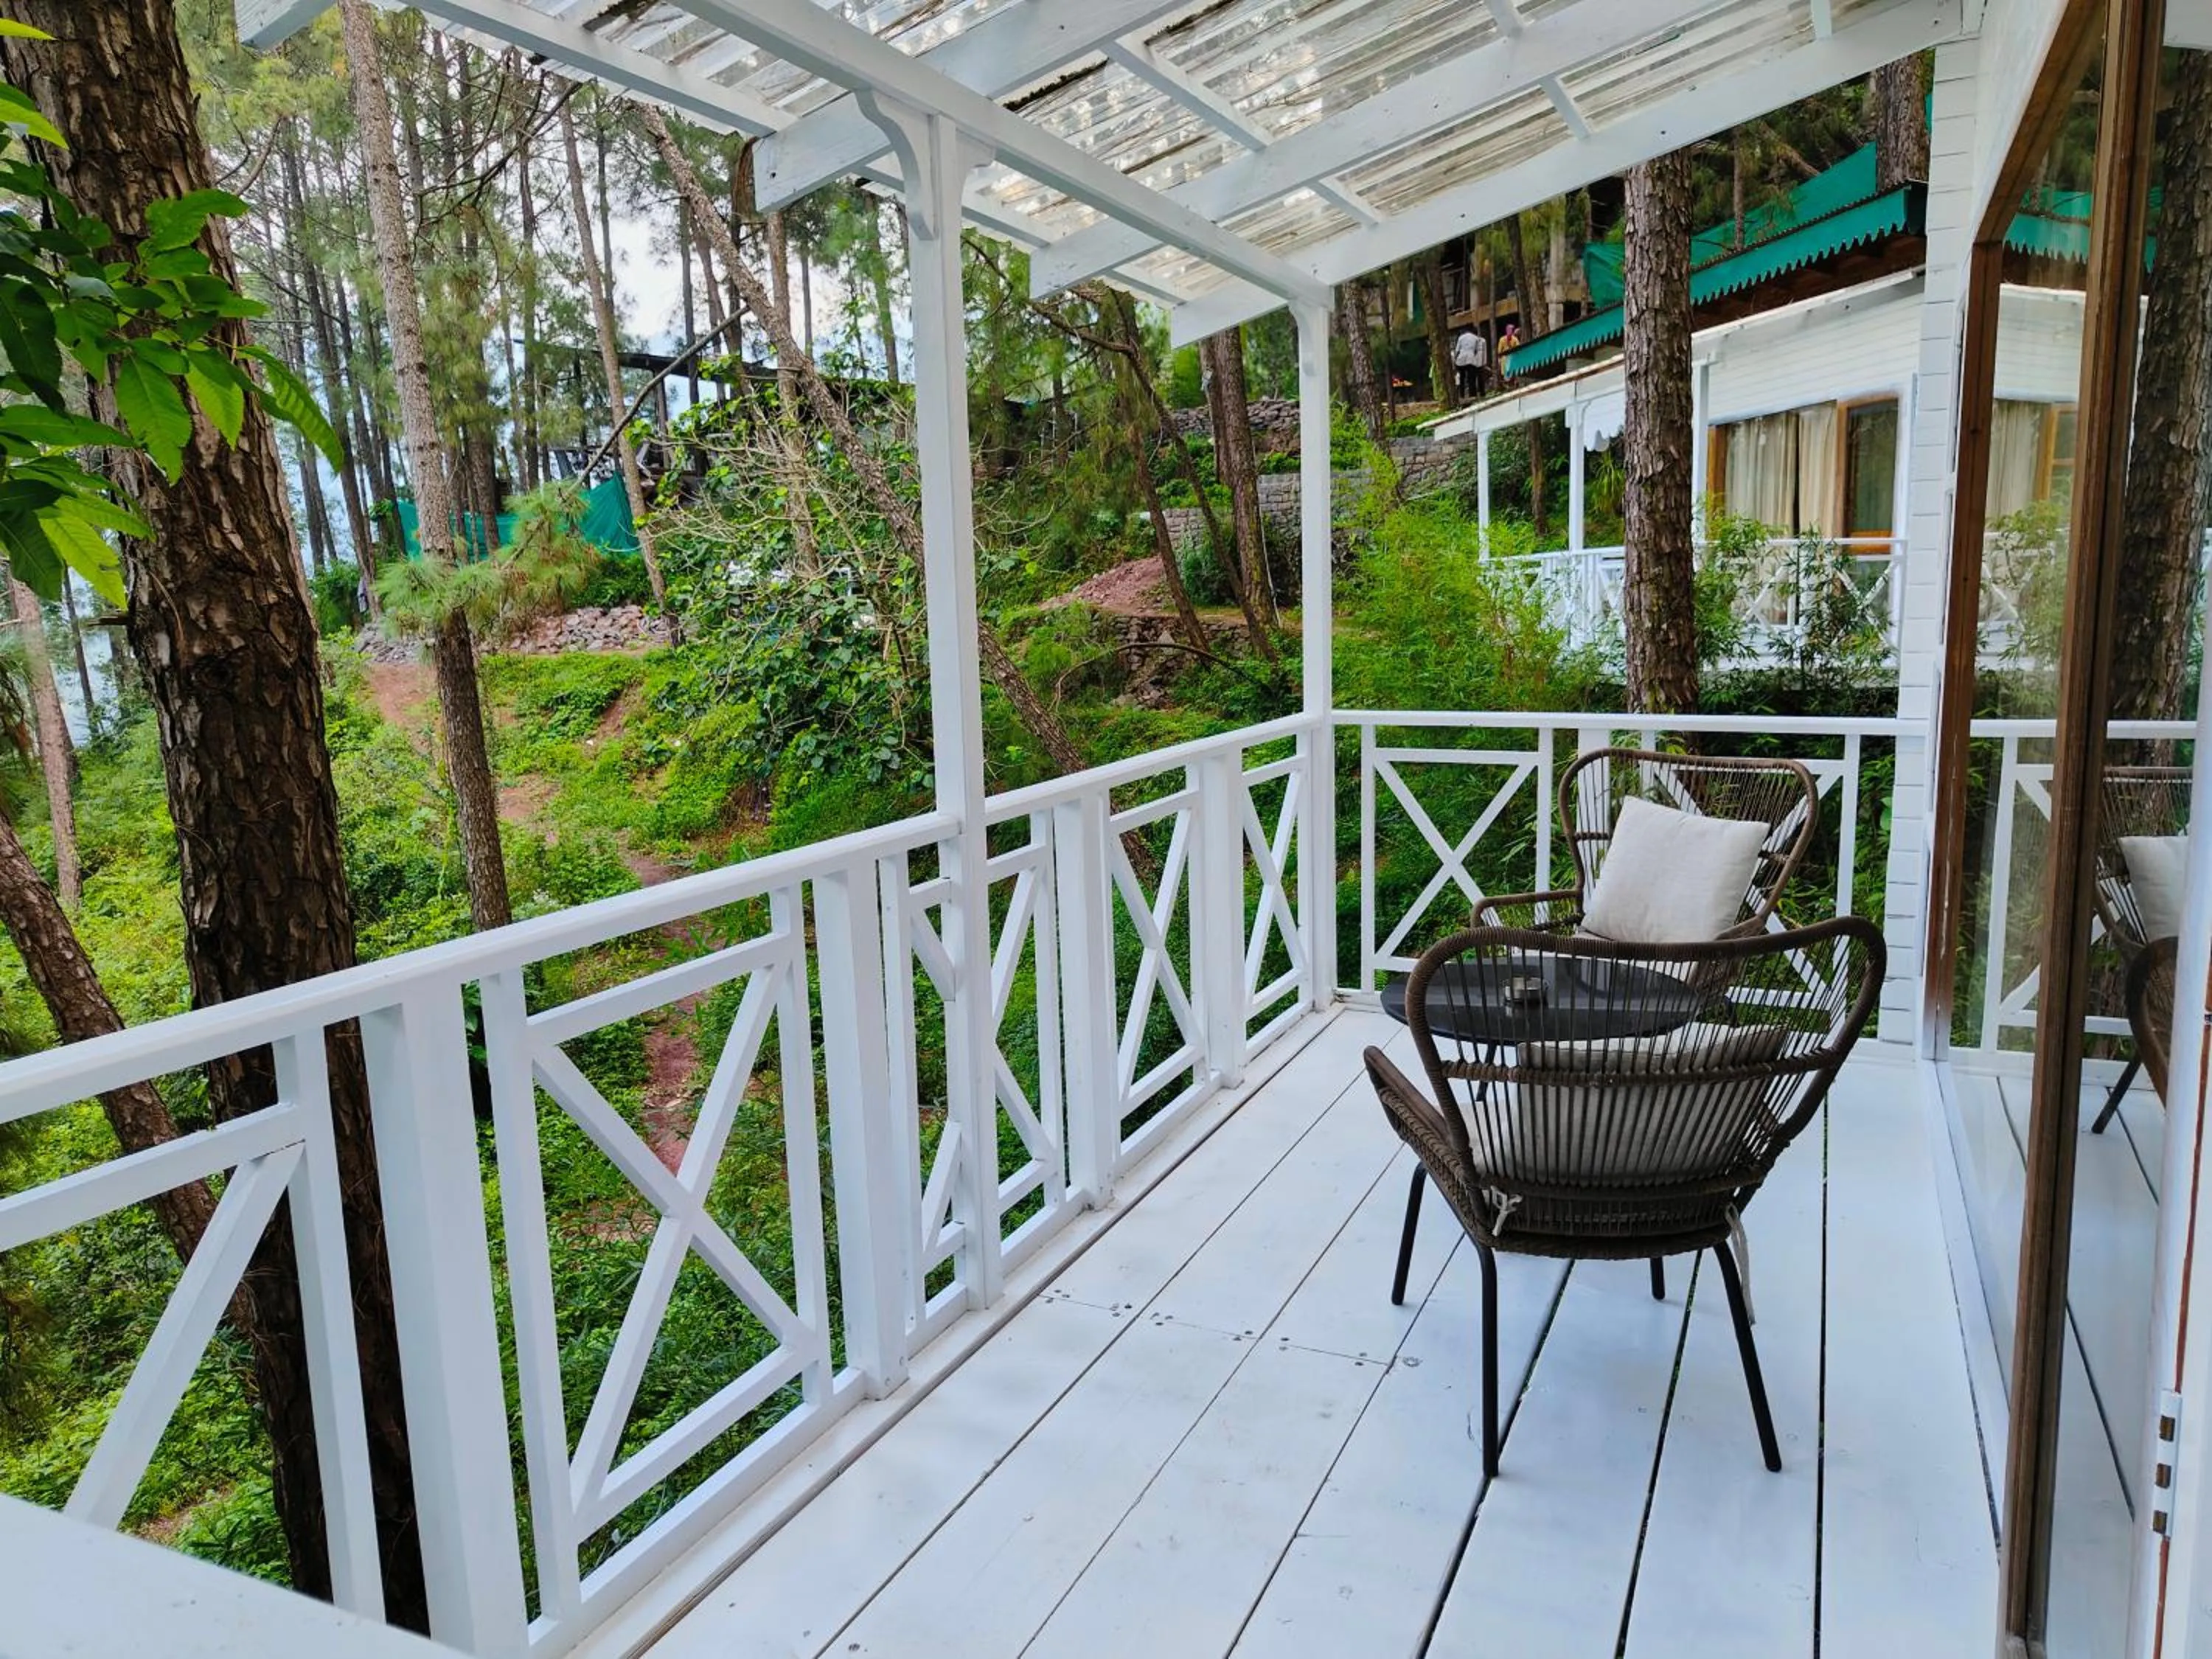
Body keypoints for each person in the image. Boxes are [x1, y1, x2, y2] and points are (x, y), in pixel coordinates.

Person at [1451, 325, 1487, 401]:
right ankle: (1472, 395)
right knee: (1471, 378)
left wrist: (1455, 361)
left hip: (1461, 360)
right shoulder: (1476, 339)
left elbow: (1457, 350)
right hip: (1470, 360)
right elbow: (1476, 351)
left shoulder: (1461, 337)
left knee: (1462, 378)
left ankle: (1462, 395)